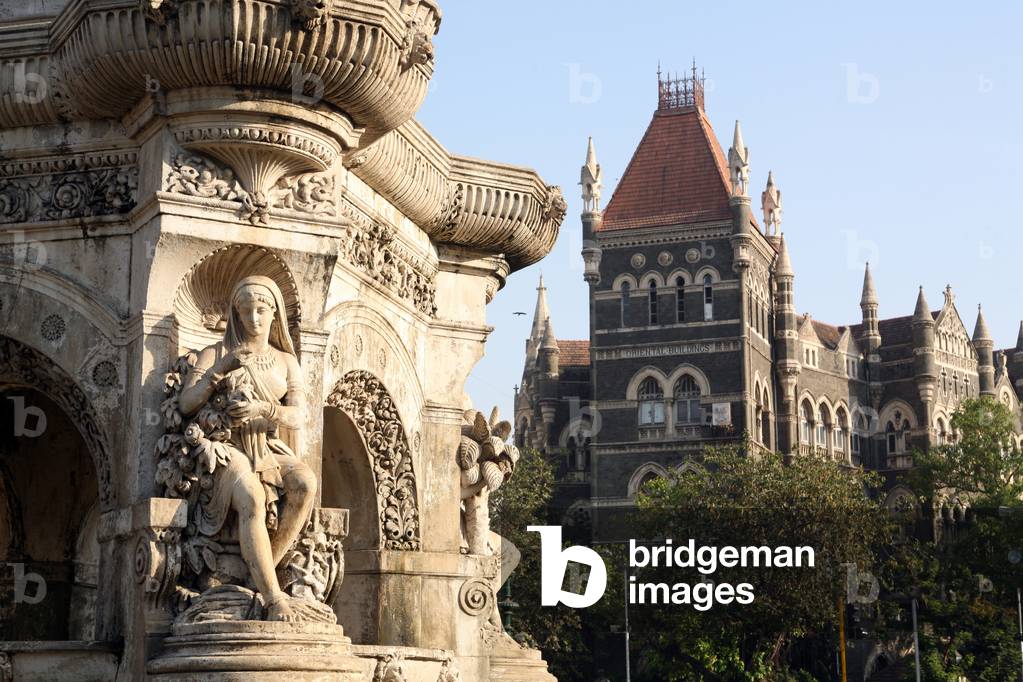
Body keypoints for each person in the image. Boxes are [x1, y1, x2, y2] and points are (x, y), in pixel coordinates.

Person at [178, 275, 317, 621]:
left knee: (305, 484)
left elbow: (299, 415)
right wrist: (218, 372)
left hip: (268, 444)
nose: (253, 319)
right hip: (225, 443)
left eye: (261, 310)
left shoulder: (286, 361)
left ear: (274, 314)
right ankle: (272, 597)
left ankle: (262, 568)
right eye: (245, 311)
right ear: (236, 315)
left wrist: (264, 410)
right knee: (252, 497)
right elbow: (186, 404)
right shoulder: (217, 352)